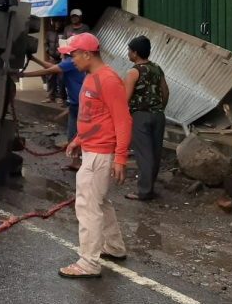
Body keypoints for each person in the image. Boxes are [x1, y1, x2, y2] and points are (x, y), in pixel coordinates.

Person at [58, 33, 131, 279]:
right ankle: (114, 247)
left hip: (101, 152)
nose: (71, 59)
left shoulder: (108, 80)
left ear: (87, 54)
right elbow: (96, 116)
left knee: (88, 205)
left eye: (73, 54)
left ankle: (88, 263)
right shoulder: (91, 76)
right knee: (99, 201)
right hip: (93, 148)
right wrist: (79, 139)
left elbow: (122, 120)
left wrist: (120, 158)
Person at [20, 44, 86, 171]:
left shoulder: (69, 62)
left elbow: (48, 71)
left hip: (79, 104)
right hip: (75, 103)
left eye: (61, 53)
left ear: (66, 54)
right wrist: (34, 59)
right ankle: (76, 162)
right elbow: (51, 67)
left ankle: (81, 162)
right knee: (74, 135)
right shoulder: (69, 64)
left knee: (77, 135)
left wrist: (23, 75)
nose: (59, 55)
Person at [123, 35, 169, 201]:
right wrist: (159, 109)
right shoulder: (157, 68)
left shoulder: (133, 72)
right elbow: (165, 92)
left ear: (135, 53)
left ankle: (144, 191)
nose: (128, 53)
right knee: (155, 153)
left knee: (143, 154)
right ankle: (150, 187)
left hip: (140, 116)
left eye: (129, 50)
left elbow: (125, 98)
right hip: (158, 115)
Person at [45, 18, 66, 104]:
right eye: (56, 22)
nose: (57, 24)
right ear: (53, 23)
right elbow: (46, 44)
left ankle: (61, 97)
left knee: (61, 79)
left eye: (59, 22)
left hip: (61, 59)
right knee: (50, 78)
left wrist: (61, 54)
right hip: (52, 59)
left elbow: (65, 45)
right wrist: (48, 52)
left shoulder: (64, 32)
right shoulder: (49, 33)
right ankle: (50, 97)